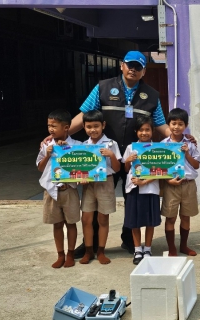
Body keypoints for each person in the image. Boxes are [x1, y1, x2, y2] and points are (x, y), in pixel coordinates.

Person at [59, 51, 178, 258]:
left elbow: (160, 124)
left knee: (132, 199)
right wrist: (62, 134)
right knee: (96, 199)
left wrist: (179, 138)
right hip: (106, 157)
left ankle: (129, 240)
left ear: (143, 71)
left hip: (136, 158)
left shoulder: (151, 95)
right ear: (122, 65)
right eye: (129, 65)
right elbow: (84, 116)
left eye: (138, 67)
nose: (133, 69)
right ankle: (91, 243)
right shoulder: (103, 88)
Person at [36, 109, 81, 268]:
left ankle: (70, 254)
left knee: (71, 223)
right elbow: (40, 168)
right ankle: (60, 254)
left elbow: (84, 166)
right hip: (51, 190)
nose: (51, 129)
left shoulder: (77, 146)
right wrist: (48, 154)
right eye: (49, 126)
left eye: (54, 126)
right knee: (57, 224)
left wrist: (66, 149)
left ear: (66, 127)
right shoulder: (47, 144)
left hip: (69, 190)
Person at [79, 110, 122, 265]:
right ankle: (88, 251)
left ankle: (101, 251)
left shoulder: (111, 144)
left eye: (96, 126)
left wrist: (111, 155)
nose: (93, 130)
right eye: (89, 126)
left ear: (103, 125)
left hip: (106, 183)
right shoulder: (83, 146)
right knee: (86, 219)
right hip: (89, 185)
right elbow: (79, 168)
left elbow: (117, 169)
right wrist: (81, 178)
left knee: (103, 218)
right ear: (84, 127)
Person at [160, 108, 200, 257]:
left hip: (188, 184)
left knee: (185, 216)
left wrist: (187, 153)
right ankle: (171, 248)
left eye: (180, 124)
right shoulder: (163, 144)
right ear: (168, 124)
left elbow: (196, 165)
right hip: (171, 185)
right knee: (170, 217)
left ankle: (184, 245)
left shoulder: (190, 143)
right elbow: (159, 168)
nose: (176, 127)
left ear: (186, 125)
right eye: (173, 123)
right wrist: (168, 180)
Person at [122, 116, 161, 265]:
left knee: (150, 221)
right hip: (134, 189)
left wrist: (144, 182)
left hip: (150, 189)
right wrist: (128, 161)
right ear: (136, 131)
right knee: (134, 222)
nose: (144, 133)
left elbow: (159, 171)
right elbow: (126, 170)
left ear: (152, 131)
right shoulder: (130, 148)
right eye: (141, 130)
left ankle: (148, 249)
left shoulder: (156, 148)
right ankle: (138, 249)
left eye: (147, 130)